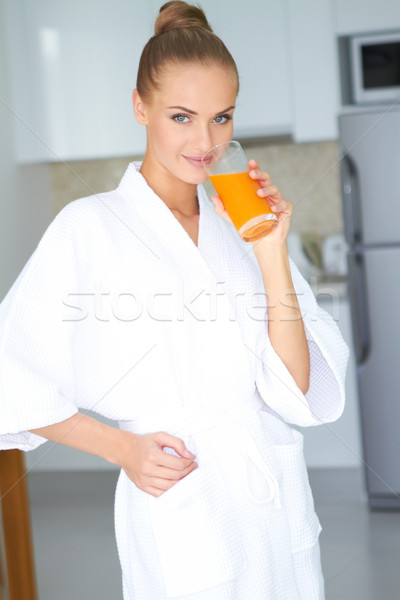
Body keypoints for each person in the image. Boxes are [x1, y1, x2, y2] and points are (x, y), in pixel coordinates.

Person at [0, 2, 349, 598]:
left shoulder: (240, 224)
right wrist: (123, 448)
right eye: (182, 117)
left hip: (271, 491)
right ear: (140, 106)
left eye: (222, 118)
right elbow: (11, 369)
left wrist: (270, 252)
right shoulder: (89, 224)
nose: (206, 142)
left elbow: (295, 391)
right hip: (180, 494)